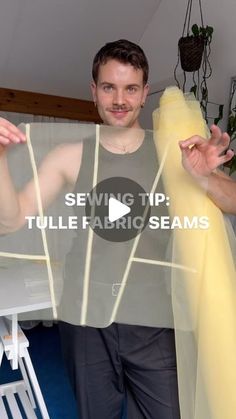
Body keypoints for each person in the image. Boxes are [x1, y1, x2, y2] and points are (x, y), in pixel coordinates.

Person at [0, 39, 234, 419]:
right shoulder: (70, 156)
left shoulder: (175, 153)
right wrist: (0, 161)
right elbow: (10, 220)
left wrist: (205, 179)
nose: (120, 99)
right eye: (109, 87)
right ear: (94, 91)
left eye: (130, 88)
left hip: (155, 320)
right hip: (86, 316)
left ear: (144, 94)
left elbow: (232, 200)